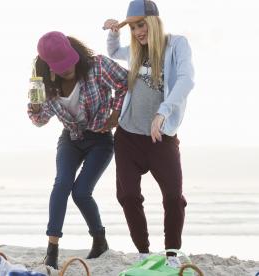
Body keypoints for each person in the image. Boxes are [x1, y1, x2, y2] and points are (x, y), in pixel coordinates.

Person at [103, 0, 194, 266]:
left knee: (174, 198)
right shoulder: (135, 50)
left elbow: (186, 80)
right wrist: (114, 32)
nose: (138, 32)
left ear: (154, 21)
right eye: (132, 28)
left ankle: (172, 253)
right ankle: (143, 251)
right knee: (128, 195)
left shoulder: (176, 45)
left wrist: (163, 112)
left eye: (140, 25)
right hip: (128, 136)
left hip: (161, 139)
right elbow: (113, 51)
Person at [27, 31, 128, 269]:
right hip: (70, 139)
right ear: (49, 66)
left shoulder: (98, 66)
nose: (67, 68)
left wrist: (115, 113)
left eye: (69, 60)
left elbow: (125, 82)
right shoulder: (44, 86)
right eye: (60, 66)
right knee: (62, 183)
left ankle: (99, 240)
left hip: (100, 139)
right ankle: (52, 250)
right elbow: (40, 120)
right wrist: (35, 106)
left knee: (81, 192)